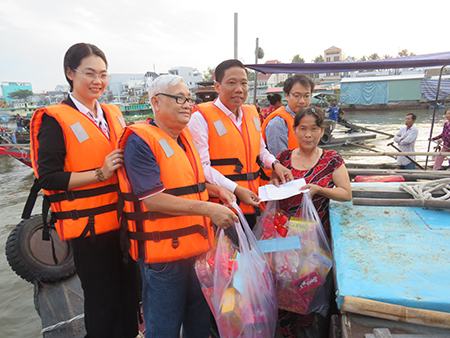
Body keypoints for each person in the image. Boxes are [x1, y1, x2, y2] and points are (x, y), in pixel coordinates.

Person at [26, 43, 138, 338]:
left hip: (124, 221)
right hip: (90, 228)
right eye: (89, 73)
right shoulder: (54, 118)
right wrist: (99, 173)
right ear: (70, 73)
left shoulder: (113, 114)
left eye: (103, 74)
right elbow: (48, 178)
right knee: (102, 301)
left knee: (130, 295)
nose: (98, 81)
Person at [117, 74, 238, 338]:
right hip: (164, 257)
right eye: (179, 98)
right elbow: (152, 199)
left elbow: (187, 186)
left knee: (198, 322)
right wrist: (210, 210)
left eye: (189, 99)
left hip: (197, 250)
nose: (187, 105)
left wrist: (216, 191)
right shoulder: (140, 141)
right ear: (156, 103)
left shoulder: (184, 139)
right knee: (164, 328)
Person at [273, 106, 351, 338]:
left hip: (314, 241)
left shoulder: (331, 159)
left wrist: (320, 190)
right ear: (295, 130)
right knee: (283, 292)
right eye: (303, 128)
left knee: (308, 294)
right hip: (283, 239)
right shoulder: (283, 158)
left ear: (322, 130)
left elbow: (346, 192)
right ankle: (285, 332)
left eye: (314, 129)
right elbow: (273, 187)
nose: (308, 134)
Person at [188, 59, 293, 228]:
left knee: (256, 251)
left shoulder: (251, 113)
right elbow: (202, 167)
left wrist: (275, 164)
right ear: (217, 87)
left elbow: (261, 150)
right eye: (231, 83)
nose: (239, 89)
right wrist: (236, 189)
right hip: (223, 206)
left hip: (253, 201)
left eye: (244, 83)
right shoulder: (200, 118)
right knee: (228, 254)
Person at [262, 75, 314, 157]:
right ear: (286, 95)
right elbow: (281, 160)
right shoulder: (278, 124)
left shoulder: (307, 119)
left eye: (306, 96)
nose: (302, 101)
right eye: (296, 96)